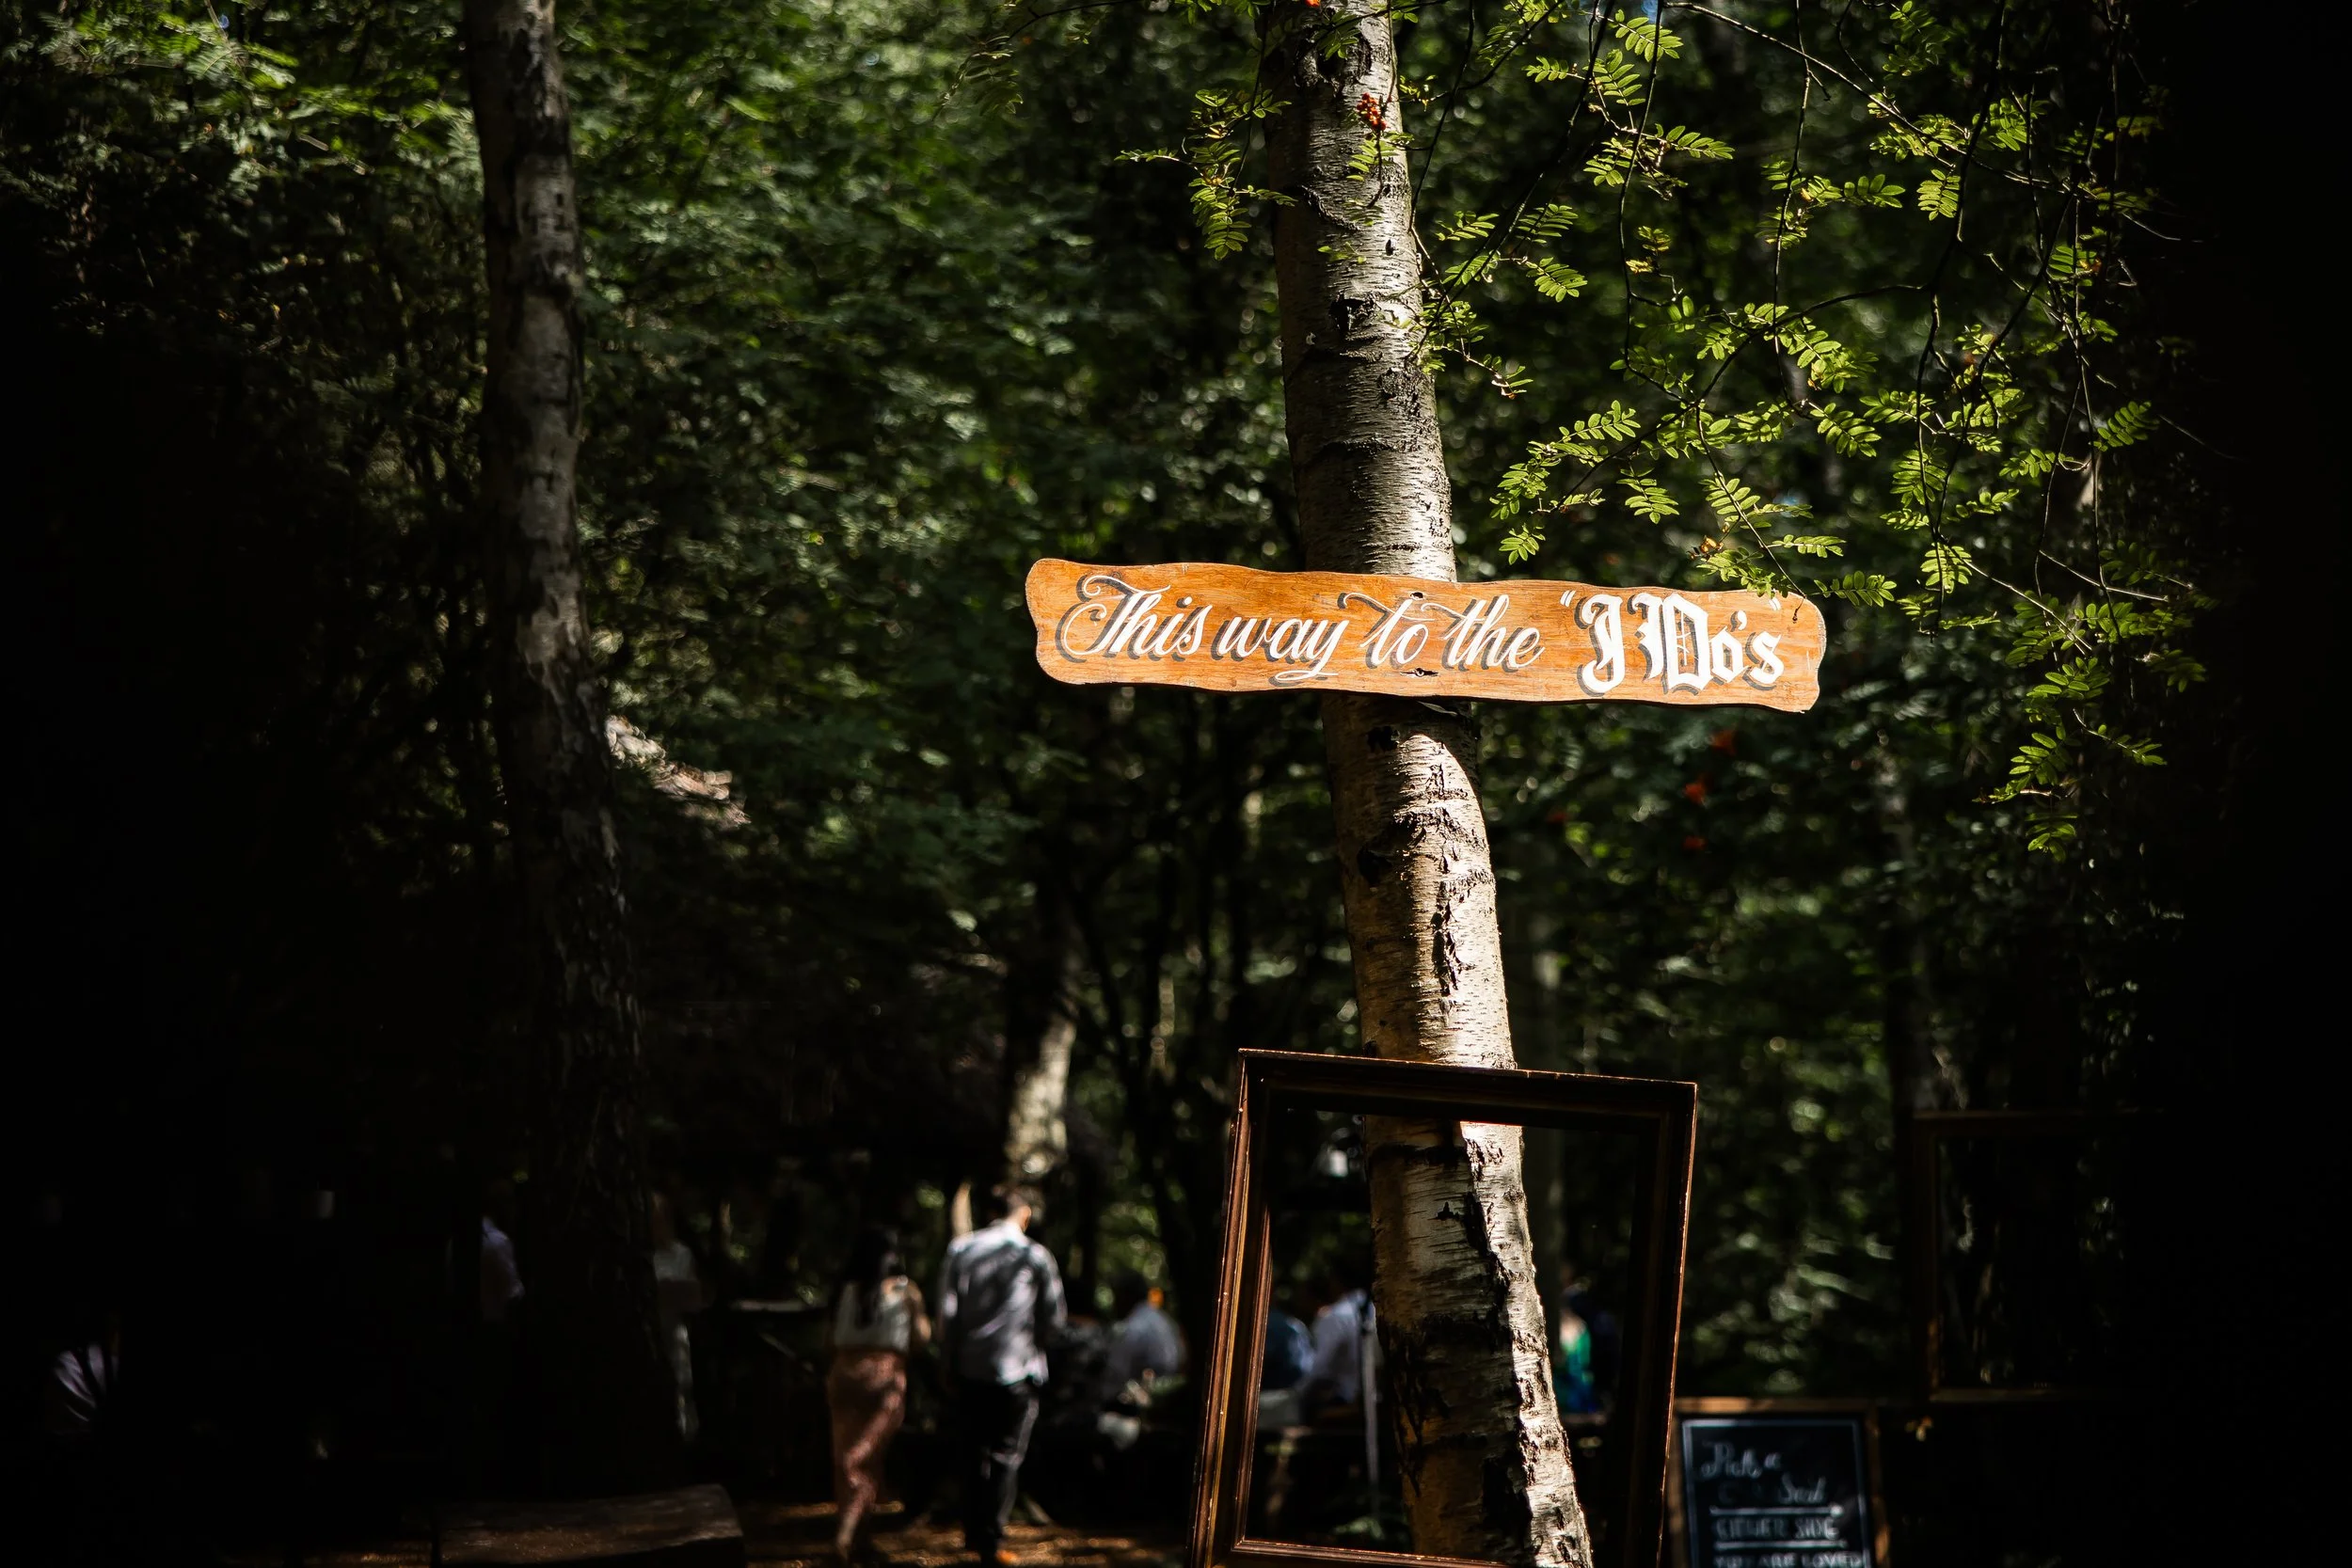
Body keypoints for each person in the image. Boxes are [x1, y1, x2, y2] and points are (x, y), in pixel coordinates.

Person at [937, 1185, 1066, 1567]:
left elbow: (947, 1312)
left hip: (969, 1370)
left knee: (971, 1451)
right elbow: (1054, 1318)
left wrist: (947, 1361)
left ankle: (972, 1534)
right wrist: (1037, 1345)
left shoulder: (961, 1250)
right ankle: (992, 1539)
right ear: (1024, 1215)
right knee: (1007, 1456)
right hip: (1018, 1372)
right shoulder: (1035, 1256)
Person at [828, 1227, 931, 1563]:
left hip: (843, 1374)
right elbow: (922, 1338)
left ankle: (859, 1537)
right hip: (884, 1376)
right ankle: (845, 1537)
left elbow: (829, 1338)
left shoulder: (844, 1291)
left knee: (848, 1457)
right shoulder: (905, 1292)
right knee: (863, 1458)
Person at [650, 1194, 706, 1443]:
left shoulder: (682, 1253)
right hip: (649, 1332)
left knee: (681, 1386)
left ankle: (685, 1439)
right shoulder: (641, 1255)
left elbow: (694, 1295)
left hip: (675, 1330)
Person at [1300, 1258, 1373, 1413]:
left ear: (1335, 1281)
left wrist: (1298, 1393)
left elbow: (1320, 1369)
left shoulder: (1336, 1316)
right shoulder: (1378, 1309)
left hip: (1347, 1401)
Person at [1102, 1273, 1184, 1394]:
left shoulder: (1135, 1326)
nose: (1114, 1303)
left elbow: (1115, 1375)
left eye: (1117, 1295)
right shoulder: (1161, 1317)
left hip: (1151, 1395)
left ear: (1126, 1296)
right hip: (1171, 1390)